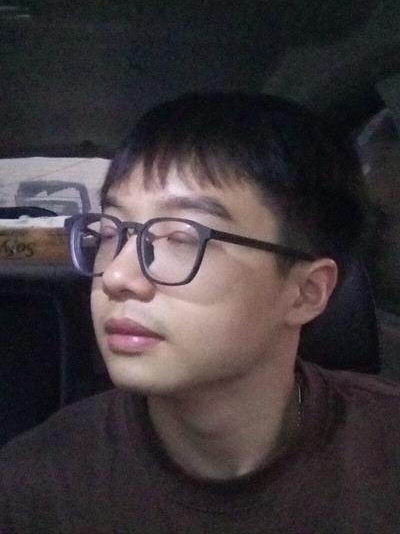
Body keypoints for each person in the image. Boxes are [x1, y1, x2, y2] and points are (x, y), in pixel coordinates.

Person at [1, 92, 400, 533]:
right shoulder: (35, 487)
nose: (116, 276)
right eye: (112, 232)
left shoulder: (383, 456)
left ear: (305, 292)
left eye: (181, 237)